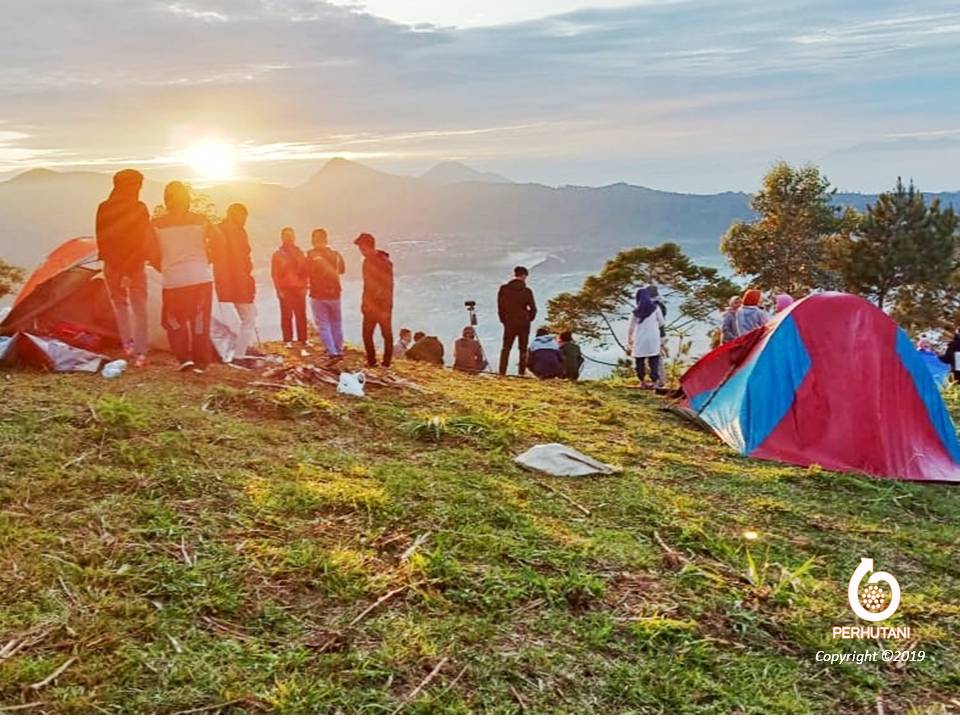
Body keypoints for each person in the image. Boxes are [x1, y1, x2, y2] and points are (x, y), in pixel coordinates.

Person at [152, 181, 221, 372]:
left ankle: (184, 359)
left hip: (174, 280)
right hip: (200, 277)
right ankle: (201, 362)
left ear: (166, 200)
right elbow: (220, 240)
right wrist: (208, 259)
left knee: (173, 320)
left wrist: (163, 266)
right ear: (187, 199)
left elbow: (149, 250)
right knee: (199, 321)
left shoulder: (156, 224)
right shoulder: (201, 220)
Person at [95, 168, 153, 368]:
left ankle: (128, 345)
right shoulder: (139, 208)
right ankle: (141, 352)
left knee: (120, 306)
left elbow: (102, 240)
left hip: (112, 265)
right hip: (134, 266)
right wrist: (128, 270)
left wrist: (117, 266)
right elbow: (143, 244)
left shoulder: (104, 207)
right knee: (140, 309)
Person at [210, 203, 257, 361]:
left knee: (226, 319)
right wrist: (247, 280)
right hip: (239, 282)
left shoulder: (217, 230)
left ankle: (235, 349)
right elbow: (241, 259)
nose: (244, 221)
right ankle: (239, 354)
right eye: (243, 217)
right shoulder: (237, 232)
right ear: (237, 215)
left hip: (221, 283)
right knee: (249, 318)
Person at [354, 232, 394, 368]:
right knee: (367, 335)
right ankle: (371, 362)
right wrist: (365, 302)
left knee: (386, 335)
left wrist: (380, 304)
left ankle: (386, 363)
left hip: (382, 306)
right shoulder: (366, 262)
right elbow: (367, 286)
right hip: (370, 305)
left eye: (362, 248)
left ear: (369, 246)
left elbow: (387, 286)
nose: (361, 252)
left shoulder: (384, 262)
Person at [306, 228, 345, 359]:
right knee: (336, 323)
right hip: (335, 294)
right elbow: (342, 270)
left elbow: (305, 272)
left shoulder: (310, 255)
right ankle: (339, 349)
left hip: (318, 295)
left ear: (313, 241)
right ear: (326, 240)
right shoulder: (336, 254)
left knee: (323, 324)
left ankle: (331, 351)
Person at [271, 227, 309, 348]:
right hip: (285, 289)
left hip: (299, 288)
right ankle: (288, 340)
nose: (289, 238)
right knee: (286, 315)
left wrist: (305, 286)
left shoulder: (300, 252)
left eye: (291, 235)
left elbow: (305, 271)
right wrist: (278, 290)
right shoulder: (277, 254)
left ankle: (303, 339)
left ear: (294, 237)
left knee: (301, 315)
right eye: (287, 235)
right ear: (282, 237)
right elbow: (274, 274)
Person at [498, 266, 537, 375]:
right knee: (523, 348)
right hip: (524, 322)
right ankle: (521, 372)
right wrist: (529, 318)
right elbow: (533, 309)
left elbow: (500, 307)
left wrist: (504, 320)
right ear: (524, 276)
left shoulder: (504, 289)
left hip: (509, 322)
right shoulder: (527, 291)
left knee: (506, 348)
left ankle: (502, 372)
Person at [627, 287, 665, 388]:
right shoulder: (656, 308)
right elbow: (661, 322)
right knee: (654, 360)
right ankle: (655, 382)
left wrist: (629, 339)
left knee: (639, 360)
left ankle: (642, 382)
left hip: (640, 338)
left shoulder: (636, 311)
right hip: (653, 338)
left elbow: (631, 327)